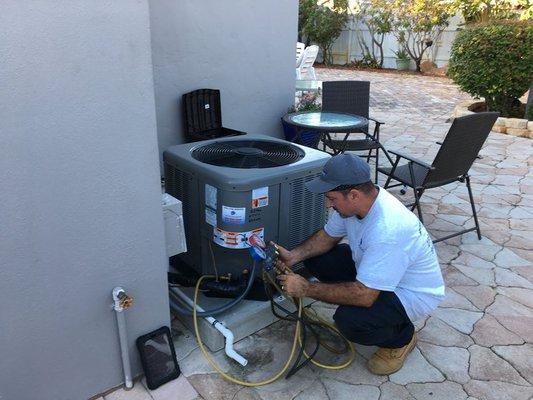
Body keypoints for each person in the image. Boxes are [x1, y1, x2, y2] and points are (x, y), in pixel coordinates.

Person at [274, 153, 444, 375]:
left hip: (410, 293)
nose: (327, 205)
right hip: (379, 272)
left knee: (350, 321)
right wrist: (294, 256)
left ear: (353, 195)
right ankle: (370, 304)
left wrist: (306, 288)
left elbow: (364, 295)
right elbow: (327, 236)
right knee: (316, 257)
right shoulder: (356, 206)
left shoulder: (388, 229)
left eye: (331, 199)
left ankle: (402, 338)